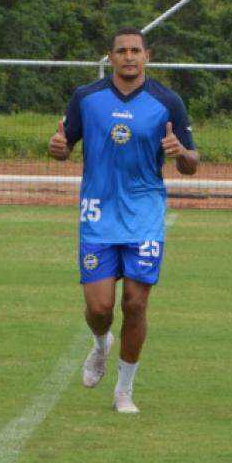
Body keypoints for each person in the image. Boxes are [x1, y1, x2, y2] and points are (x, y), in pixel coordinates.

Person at [48, 27, 199, 413]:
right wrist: (58, 149)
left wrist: (180, 151)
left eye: (136, 50)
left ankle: (124, 391)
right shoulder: (86, 98)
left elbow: (191, 164)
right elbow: (65, 148)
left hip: (144, 215)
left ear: (147, 55)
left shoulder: (168, 102)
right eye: (122, 51)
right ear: (110, 57)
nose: (129, 57)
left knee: (135, 304)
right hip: (98, 215)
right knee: (100, 309)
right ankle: (100, 344)